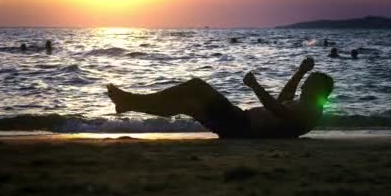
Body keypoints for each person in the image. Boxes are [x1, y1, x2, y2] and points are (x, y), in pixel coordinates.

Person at [107, 58, 333, 139]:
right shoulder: (306, 106)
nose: (304, 86)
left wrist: (254, 86)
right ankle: (129, 103)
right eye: (306, 82)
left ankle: (133, 99)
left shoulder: (310, 112)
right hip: (236, 127)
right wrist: (301, 72)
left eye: (309, 83)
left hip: (240, 125)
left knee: (197, 87)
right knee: (186, 104)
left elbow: (277, 109)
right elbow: (284, 99)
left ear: (318, 91)